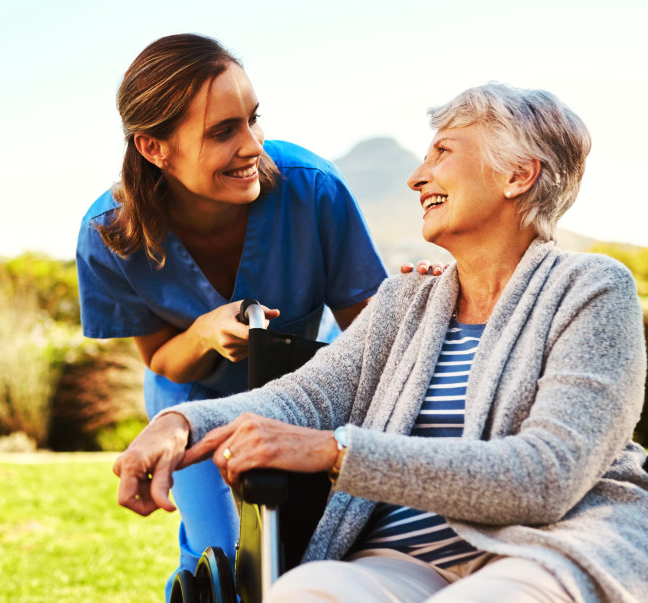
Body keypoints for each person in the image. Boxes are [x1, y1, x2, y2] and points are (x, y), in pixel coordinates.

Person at [113, 83, 648, 602]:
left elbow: (548, 475)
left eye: (443, 153)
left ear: (518, 174)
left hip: (550, 550)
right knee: (301, 593)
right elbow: (302, 400)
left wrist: (338, 453)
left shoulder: (589, 289)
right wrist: (181, 422)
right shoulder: (408, 303)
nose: (416, 175)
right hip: (403, 564)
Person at [76, 33, 402, 591]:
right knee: (224, 561)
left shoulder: (313, 190)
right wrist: (203, 334)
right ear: (154, 147)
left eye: (253, 120)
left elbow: (372, 340)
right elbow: (161, 360)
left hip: (303, 388)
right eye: (223, 131)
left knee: (305, 551)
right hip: (191, 399)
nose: (253, 146)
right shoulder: (108, 235)